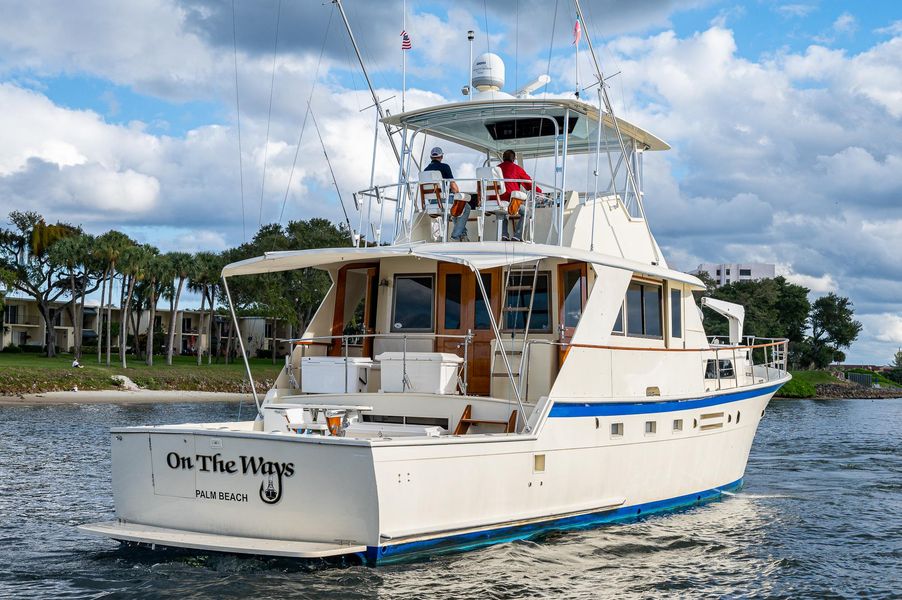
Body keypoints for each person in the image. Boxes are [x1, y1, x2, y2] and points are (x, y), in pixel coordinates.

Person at [424, 147, 474, 241]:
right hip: (443, 201)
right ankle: (455, 236)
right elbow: (454, 188)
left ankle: (462, 234)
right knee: (465, 207)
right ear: (441, 156)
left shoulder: (425, 171)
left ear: (431, 157)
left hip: (431, 203)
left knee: (456, 209)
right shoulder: (445, 167)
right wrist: (459, 196)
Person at [498, 149, 541, 241]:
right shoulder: (516, 169)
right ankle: (517, 236)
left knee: (502, 211)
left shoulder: (495, 169)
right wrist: (539, 192)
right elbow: (529, 184)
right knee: (527, 212)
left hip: (495, 201)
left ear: (503, 158)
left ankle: (504, 235)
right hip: (510, 202)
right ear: (514, 159)